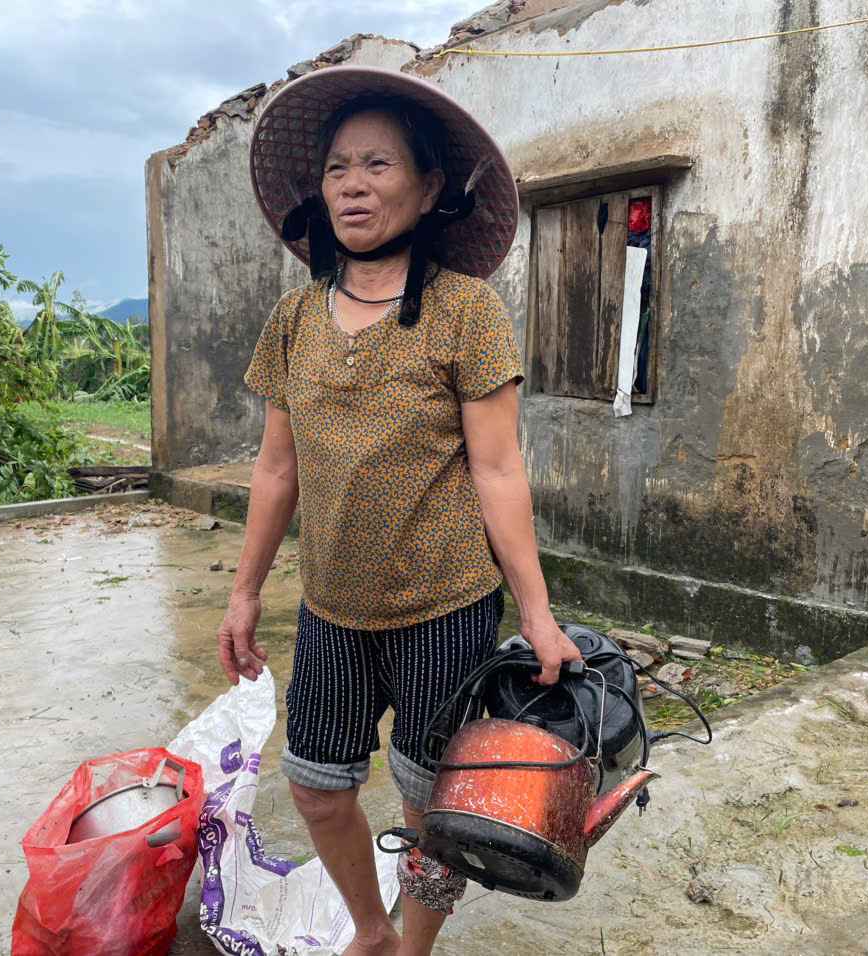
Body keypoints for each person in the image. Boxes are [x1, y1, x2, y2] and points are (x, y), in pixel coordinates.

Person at [216, 66, 582, 956]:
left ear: (427, 191)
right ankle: (373, 932)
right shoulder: (296, 319)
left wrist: (535, 613)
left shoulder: (465, 312)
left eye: (378, 165)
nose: (352, 183)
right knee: (315, 787)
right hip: (333, 609)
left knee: (430, 804)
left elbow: (499, 470)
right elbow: (275, 470)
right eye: (339, 167)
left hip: (443, 613)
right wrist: (243, 592)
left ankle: (411, 950)